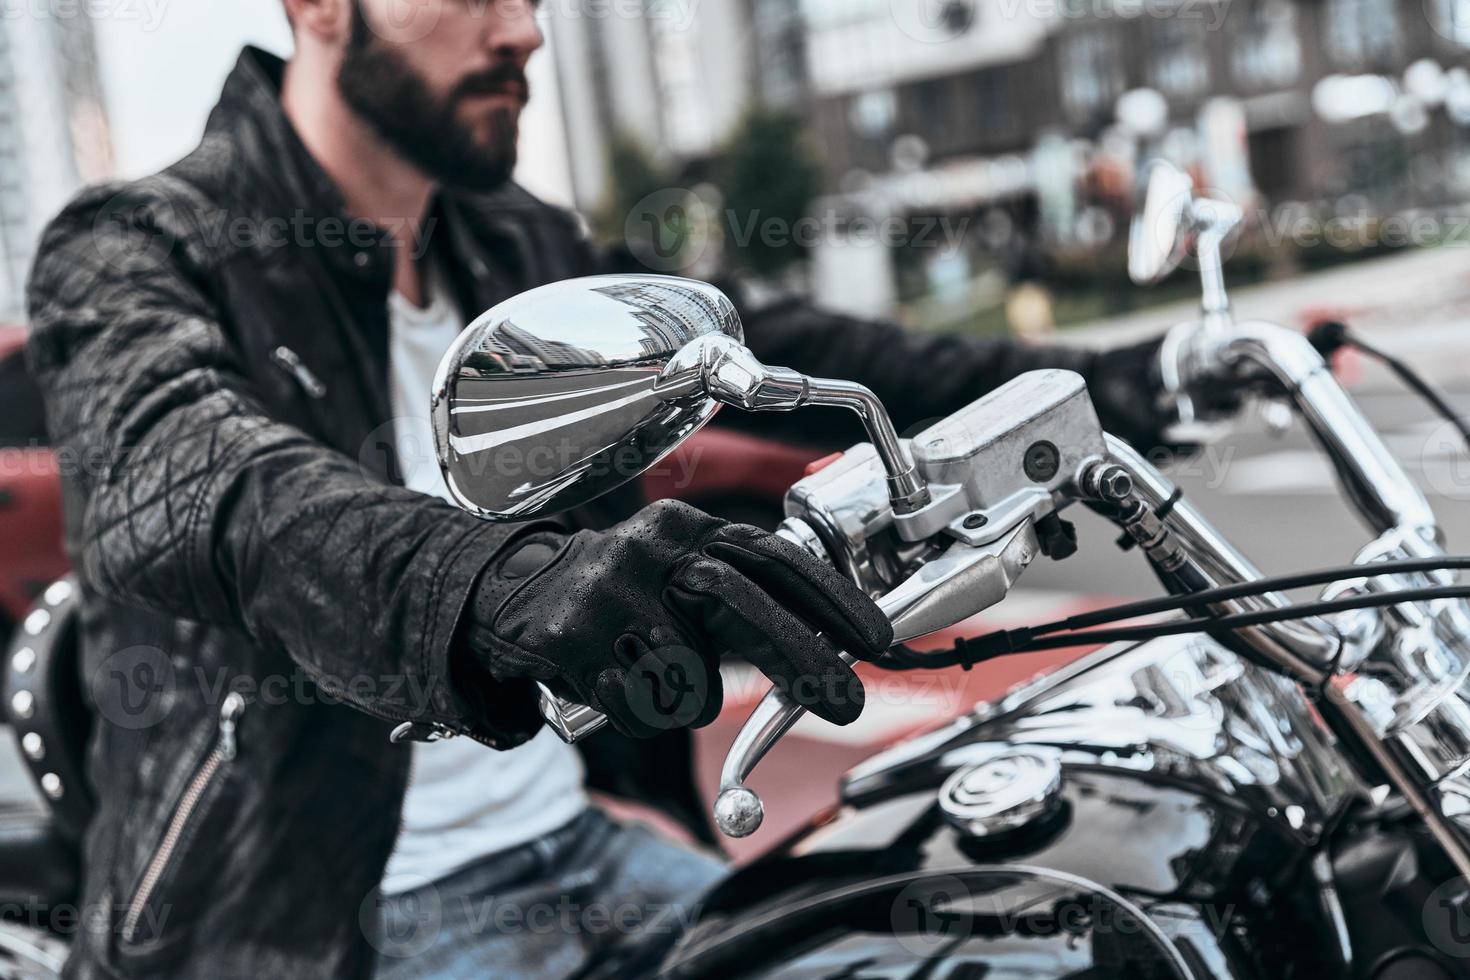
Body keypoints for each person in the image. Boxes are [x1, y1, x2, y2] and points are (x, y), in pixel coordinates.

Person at [24, 1, 1177, 977]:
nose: (523, 29)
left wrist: (1125, 382)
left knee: (996, 938)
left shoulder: (517, 247)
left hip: (581, 847)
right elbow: (194, 480)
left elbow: (779, 347)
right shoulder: (139, 244)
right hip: (325, 917)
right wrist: (500, 583)